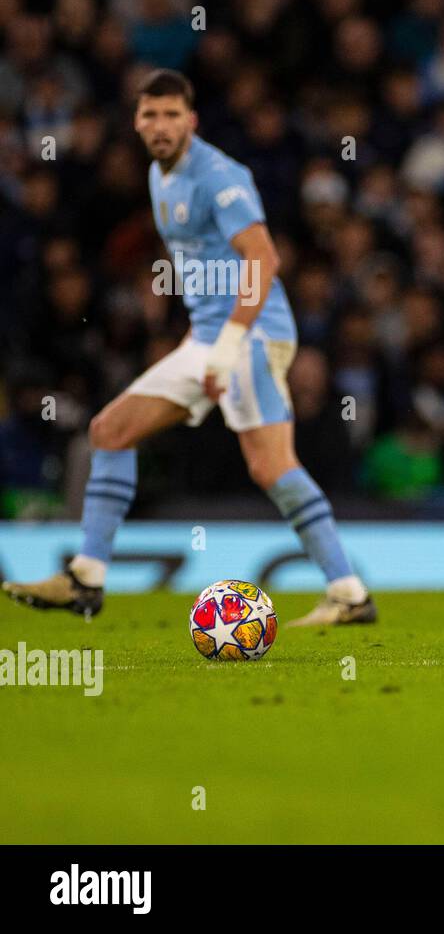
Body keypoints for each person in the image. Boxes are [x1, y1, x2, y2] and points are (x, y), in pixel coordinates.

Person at [2, 70, 375, 628]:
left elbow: (263, 261)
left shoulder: (218, 175)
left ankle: (348, 592)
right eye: (150, 115)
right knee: (109, 431)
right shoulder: (159, 176)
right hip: (207, 336)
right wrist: (198, 336)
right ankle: (87, 577)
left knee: (271, 465)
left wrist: (226, 345)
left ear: (191, 120)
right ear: (136, 121)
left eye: (172, 114)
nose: (160, 125)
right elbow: (204, 271)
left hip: (250, 335)